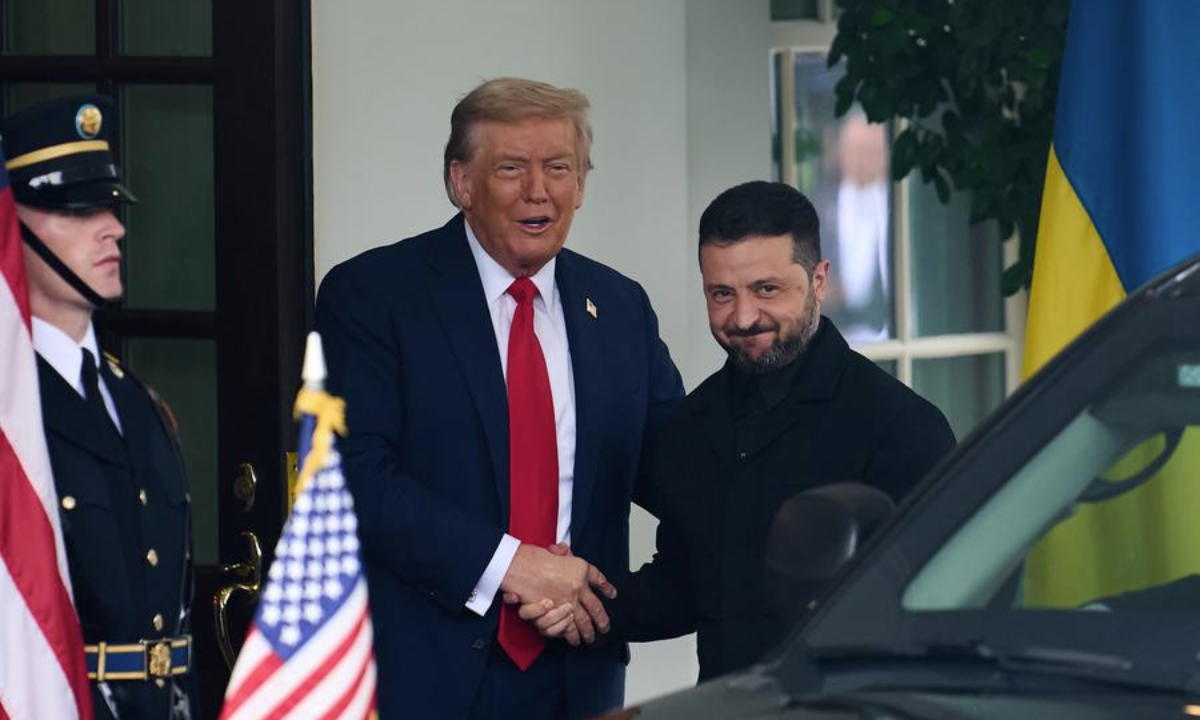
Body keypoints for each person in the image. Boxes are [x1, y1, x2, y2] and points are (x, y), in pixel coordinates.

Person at [314, 77, 684, 720]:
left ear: (582, 185)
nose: (538, 191)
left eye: (559, 168)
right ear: (461, 183)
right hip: (425, 674)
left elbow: (679, 468)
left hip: (580, 671)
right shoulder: (373, 296)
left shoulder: (621, 306)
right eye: (511, 168)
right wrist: (512, 566)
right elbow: (357, 479)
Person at [517, 180, 955, 681]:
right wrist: (578, 598)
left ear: (818, 280)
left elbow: (937, 617)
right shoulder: (694, 421)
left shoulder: (903, 428)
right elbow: (685, 589)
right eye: (722, 294)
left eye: (767, 289)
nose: (743, 317)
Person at [1, 96, 194, 718]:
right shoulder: (11, 413)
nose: (113, 226)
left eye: (109, 206)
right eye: (80, 210)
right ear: (12, 227)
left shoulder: (136, 401)